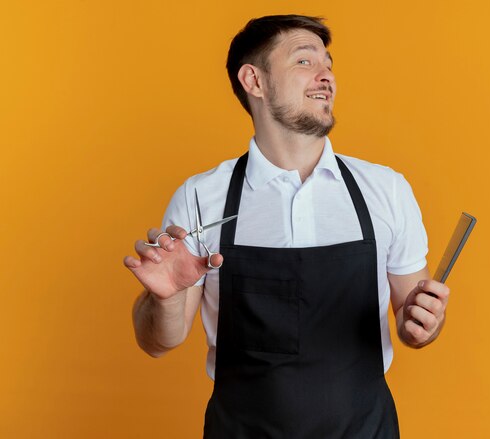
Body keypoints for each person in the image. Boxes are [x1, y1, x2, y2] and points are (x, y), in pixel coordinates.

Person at [124, 14, 450, 439]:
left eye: (328, 64)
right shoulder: (202, 198)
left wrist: (424, 322)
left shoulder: (385, 190)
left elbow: (415, 318)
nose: (326, 76)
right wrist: (164, 299)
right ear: (253, 80)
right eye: (304, 61)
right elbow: (157, 341)